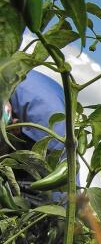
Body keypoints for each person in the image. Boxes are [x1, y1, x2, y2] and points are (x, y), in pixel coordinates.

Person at [2, 70, 73, 205]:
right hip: (44, 105)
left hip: (48, 130)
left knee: (49, 199)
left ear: (15, 127)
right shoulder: (10, 73)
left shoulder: (46, 128)